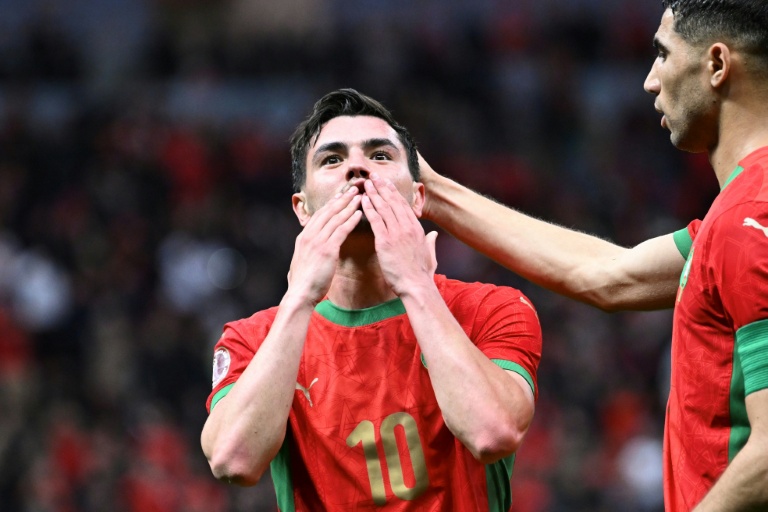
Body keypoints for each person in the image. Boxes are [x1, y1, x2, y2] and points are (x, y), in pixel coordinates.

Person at [395, 1, 768, 511]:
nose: (649, 82)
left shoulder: (750, 217)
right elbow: (608, 275)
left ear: (718, 64)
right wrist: (431, 190)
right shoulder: (738, 216)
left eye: (663, 54)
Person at [200, 89, 542, 511]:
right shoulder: (252, 339)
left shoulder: (492, 310)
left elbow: (492, 433)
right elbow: (234, 460)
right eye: (332, 159)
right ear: (302, 209)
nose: (357, 167)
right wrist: (299, 298)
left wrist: (416, 284)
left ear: (418, 197)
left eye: (380, 156)